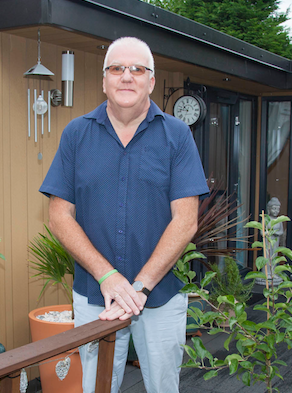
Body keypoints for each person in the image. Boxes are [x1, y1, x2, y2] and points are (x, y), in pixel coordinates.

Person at [40, 36, 208, 393]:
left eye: (137, 69)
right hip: (94, 296)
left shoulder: (177, 136)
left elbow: (186, 220)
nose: (126, 76)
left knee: (164, 388)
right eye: (117, 68)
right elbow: (58, 216)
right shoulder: (76, 135)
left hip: (160, 295)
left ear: (151, 80)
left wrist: (140, 285)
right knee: (96, 388)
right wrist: (108, 278)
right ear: (104, 81)